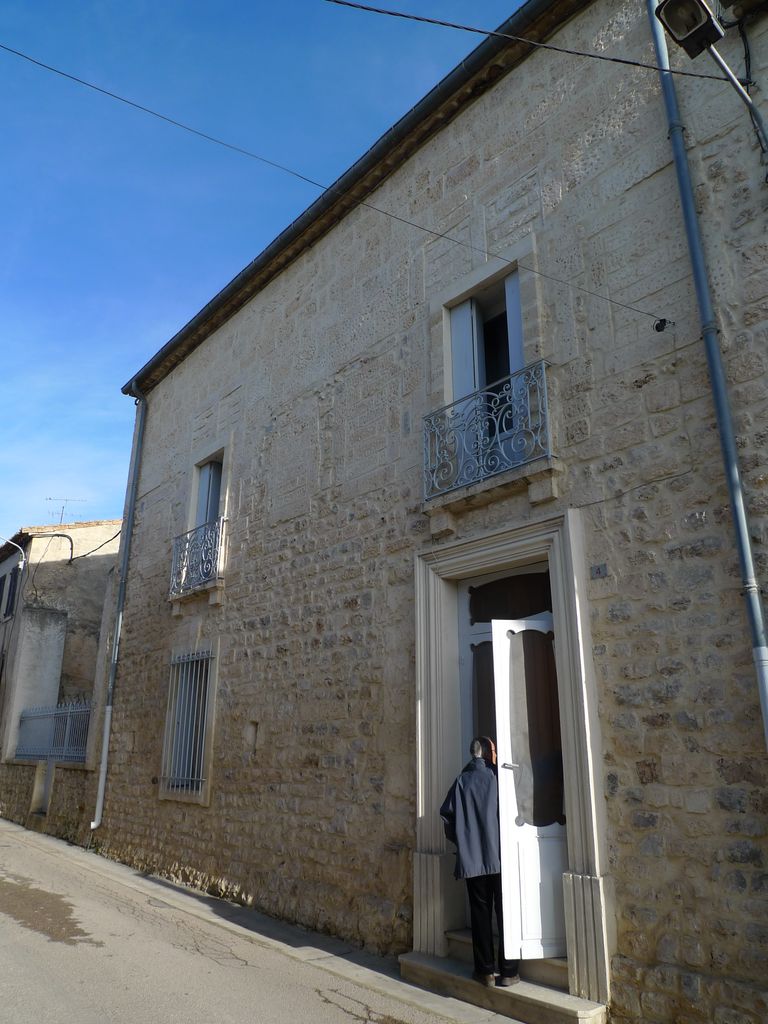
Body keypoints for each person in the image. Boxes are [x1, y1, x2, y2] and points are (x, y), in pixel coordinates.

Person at [440, 736, 519, 988]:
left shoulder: (462, 781)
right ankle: (508, 971)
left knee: (480, 913)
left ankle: (484, 971)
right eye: (494, 749)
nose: (496, 753)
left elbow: (447, 817)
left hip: (474, 860)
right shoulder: (499, 778)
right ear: (487, 753)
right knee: (506, 913)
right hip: (501, 857)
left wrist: (463, 843)